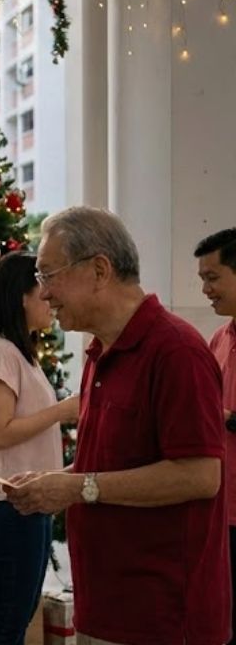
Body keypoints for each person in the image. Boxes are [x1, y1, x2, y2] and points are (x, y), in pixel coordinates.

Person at [7, 206, 229, 644]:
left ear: (99, 270)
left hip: (161, 618)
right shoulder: (99, 354)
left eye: (48, 275)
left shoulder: (176, 352)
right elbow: (108, 465)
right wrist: (57, 481)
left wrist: (77, 487)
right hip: (106, 608)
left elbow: (201, 475)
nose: (44, 293)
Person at [0, 251, 79, 645]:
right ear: (21, 297)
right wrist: (61, 411)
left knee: (17, 612)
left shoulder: (19, 351)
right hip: (8, 498)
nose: (50, 299)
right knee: (8, 617)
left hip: (26, 496)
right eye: (42, 290)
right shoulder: (1, 352)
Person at [196, 227, 236, 645]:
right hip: (219, 512)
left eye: (213, 278)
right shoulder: (218, 340)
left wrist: (227, 418)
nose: (206, 290)